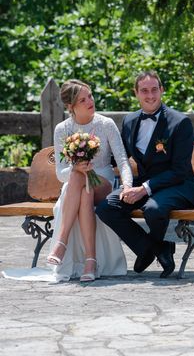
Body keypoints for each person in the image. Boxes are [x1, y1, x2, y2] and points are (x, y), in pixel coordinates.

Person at [96, 71, 194, 278]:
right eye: (144, 91)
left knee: (153, 209)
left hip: (178, 185)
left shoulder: (180, 123)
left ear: (162, 90)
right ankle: (153, 249)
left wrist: (143, 189)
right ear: (136, 93)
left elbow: (180, 170)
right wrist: (89, 156)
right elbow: (119, 156)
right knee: (107, 207)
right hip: (144, 184)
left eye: (154, 90)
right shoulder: (130, 121)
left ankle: (149, 248)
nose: (150, 95)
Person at [46, 79, 132, 282]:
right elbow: (60, 173)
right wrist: (75, 168)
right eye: (82, 100)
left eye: (90, 96)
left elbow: (122, 160)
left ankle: (61, 242)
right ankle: (90, 260)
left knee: (83, 181)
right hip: (78, 184)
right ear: (71, 106)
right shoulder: (62, 129)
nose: (90, 102)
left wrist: (127, 184)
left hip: (103, 180)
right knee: (80, 180)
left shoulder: (105, 124)